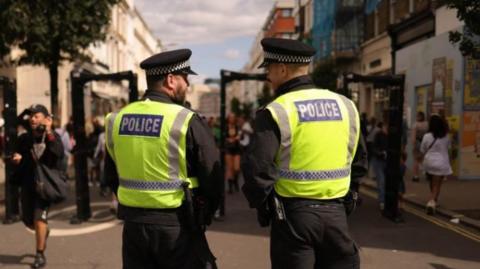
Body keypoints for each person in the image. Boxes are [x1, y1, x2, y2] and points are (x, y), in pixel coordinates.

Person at [242, 38, 367, 269]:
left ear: (282, 68)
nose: (267, 76)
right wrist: (349, 198)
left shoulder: (276, 110)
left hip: (293, 218)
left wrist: (264, 206)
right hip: (337, 214)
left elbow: (257, 169)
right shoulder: (346, 105)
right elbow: (359, 162)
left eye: (269, 68)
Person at [104, 49, 222, 269]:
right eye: (185, 78)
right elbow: (211, 175)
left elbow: (111, 174)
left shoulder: (116, 119)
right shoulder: (185, 119)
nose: (187, 84)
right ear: (170, 80)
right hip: (176, 225)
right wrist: (204, 214)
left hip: (133, 227)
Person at [11, 104, 64, 269]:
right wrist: (17, 158)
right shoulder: (24, 138)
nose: (33, 118)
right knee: (28, 222)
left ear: (46, 119)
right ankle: (43, 231)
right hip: (28, 184)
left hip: (44, 185)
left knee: (39, 219)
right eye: (31, 116)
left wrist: (48, 130)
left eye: (37, 116)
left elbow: (58, 154)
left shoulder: (52, 137)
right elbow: (17, 153)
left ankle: (39, 254)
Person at [421, 114, 452, 215]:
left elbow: (423, 149)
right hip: (441, 162)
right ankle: (431, 202)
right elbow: (449, 148)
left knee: (432, 182)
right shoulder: (446, 136)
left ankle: (434, 200)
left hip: (429, 162)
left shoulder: (427, 136)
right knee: (437, 184)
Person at [371, 121, 388, 210]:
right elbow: (373, 148)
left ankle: (386, 201)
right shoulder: (378, 135)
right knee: (381, 182)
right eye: (385, 126)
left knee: (387, 182)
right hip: (378, 161)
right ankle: (382, 201)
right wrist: (380, 153)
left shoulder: (392, 135)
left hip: (388, 162)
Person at [225, 113, 241, 193]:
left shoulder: (237, 127)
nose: (232, 119)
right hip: (228, 149)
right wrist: (228, 140)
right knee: (229, 168)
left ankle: (236, 181)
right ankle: (231, 187)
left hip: (236, 149)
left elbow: (240, 136)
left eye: (233, 117)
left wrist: (236, 138)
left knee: (236, 168)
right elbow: (224, 137)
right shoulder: (226, 127)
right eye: (230, 117)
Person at [411, 111, 428, 182]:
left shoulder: (416, 125)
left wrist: (413, 143)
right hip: (426, 143)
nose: (416, 117)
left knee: (416, 160)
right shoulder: (427, 124)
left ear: (419, 117)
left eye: (417, 116)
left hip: (418, 143)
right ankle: (427, 173)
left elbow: (413, 137)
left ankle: (416, 176)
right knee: (425, 159)